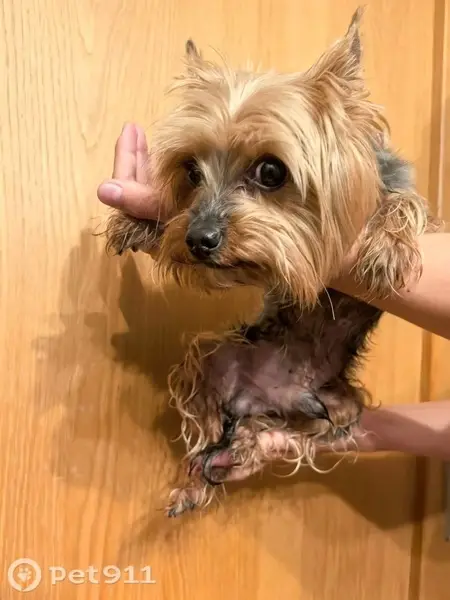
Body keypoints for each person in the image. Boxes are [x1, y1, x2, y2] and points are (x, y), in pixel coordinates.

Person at [97, 123, 450, 461]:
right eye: (194, 173)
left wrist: (337, 253)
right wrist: (294, 441)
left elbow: (395, 254)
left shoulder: (387, 193)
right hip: (291, 362)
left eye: (269, 175)